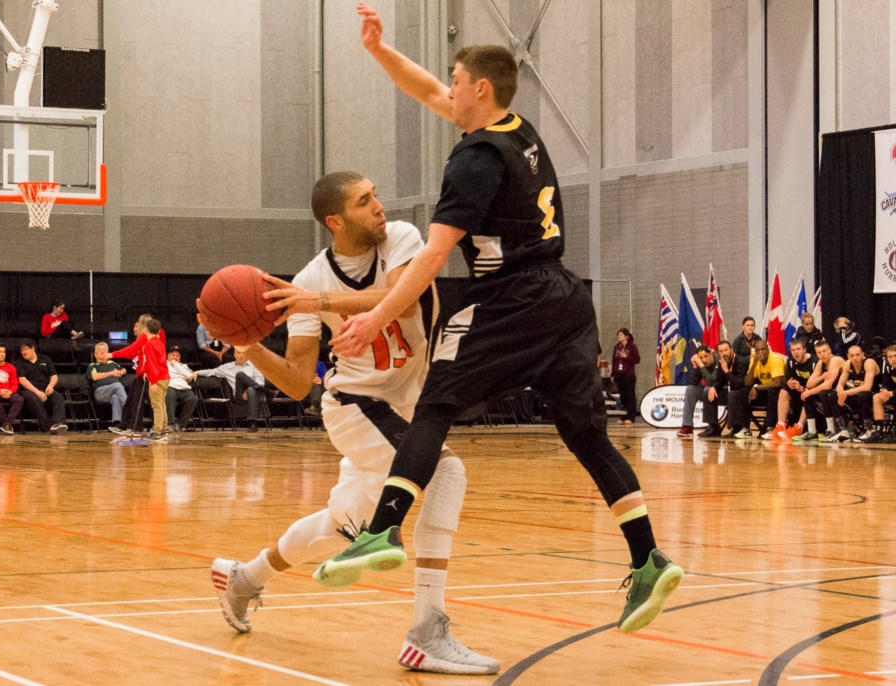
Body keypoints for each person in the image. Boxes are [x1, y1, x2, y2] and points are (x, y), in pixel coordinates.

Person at [317, 4, 683, 636]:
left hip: (511, 298)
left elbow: (431, 256)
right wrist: (380, 51)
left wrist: (376, 316)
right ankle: (647, 557)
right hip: (566, 300)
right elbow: (428, 90)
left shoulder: (473, 162)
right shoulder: (518, 131)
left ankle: (381, 531)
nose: (447, 87)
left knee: (433, 406)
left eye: (456, 81)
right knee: (587, 437)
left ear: (479, 89)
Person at [204, 170, 498, 675]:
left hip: (409, 402)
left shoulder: (400, 240)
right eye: (365, 202)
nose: (379, 206)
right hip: (357, 405)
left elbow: (398, 295)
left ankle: (244, 578)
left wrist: (315, 303)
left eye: (376, 194)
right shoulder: (308, 280)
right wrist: (252, 348)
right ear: (336, 221)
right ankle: (428, 632)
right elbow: (299, 382)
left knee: (340, 527)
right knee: (447, 474)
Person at [110, 314, 164, 437]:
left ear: (144, 326)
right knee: (133, 400)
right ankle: (127, 425)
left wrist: (111, 355)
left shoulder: (146, 339)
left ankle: (140, 427)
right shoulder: (144, 339)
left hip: (147, 374)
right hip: (141, 373)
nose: (134, 328)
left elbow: (146, 357)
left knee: (143, 402)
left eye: (137, 325)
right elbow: (133, 353)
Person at [196, 349, 268, 432]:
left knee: (251, 389)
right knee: (240, 375)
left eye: (243, 353)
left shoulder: (254, 366)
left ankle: (253, 424)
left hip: (255, 394)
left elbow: (261, 381)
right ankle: (269, 393)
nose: (241, 355)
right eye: (239, 353)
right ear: (234, 354)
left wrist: (248, 390)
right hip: (239, 395)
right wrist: (197, 372)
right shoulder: (228, 367)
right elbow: (212, 371)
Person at [727, 339, 785, 439]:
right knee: (744, 391)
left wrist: (756, 387)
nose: (760, 352)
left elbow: (777, 383)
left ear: (768, 349)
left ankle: (771, 428)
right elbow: (747, 382)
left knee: (772, 391)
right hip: (765, 391)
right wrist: (753, 365)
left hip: (779, 393)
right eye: (758, 350)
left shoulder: (775, 359)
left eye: (763, 349)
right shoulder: (755, 361)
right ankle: (746, 428)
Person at [764, 338, 816, 440]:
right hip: (798, 391)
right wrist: (790, 384)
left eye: (798, 349)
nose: (796, 352)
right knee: (784, 391)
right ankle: (780, 425)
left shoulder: (814, 362)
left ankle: (799, 427)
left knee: (807, 394)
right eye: (793, 350)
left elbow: (816, 385)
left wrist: (802, 388)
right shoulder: (791, 361)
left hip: (812, 392)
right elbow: (788, 380)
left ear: (804, 350)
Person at [826, 343, 878, 442]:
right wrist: (840, 394)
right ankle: (843, 430)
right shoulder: (848, 364)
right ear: (848, 356)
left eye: (857, 355)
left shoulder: (868, 362)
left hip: (874, 397)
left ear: (863, 355)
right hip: (857, 397)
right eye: (852, 355)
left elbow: (867, 387)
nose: (855, 358)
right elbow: (839, 385)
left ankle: (868, 429)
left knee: (863, 394)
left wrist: (846, 393)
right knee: (832, 395)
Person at [16, 341, 68, 434]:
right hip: (28, 389)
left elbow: (54, 376)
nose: (23, 352)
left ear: (33, 348)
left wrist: (51, 386)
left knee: (58, 397)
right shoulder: (19, 362)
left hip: (45, 387)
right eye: (22, 350)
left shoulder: (45, 359)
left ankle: (58, 423)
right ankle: (47, 426)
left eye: (25, 349)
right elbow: (22, 380)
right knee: (34, 398)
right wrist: (37, 392)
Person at [805, 340, 848, 442]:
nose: (822, 354)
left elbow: (828, 384)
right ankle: (812, 431)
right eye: (819, 352)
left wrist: (809, 391)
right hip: (832, 391)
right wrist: (820, 378)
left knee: (825, 393)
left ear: (829, 350)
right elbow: (809, 384)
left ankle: (841, 429)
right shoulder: (820, 363)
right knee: (811, 395)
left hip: (847, 390)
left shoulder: (835, 360)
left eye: (824, 351)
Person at [676, 345, 717, 438]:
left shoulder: (717, 361)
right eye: (701, 358)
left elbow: (711, 381)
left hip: (721, 392)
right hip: (707, 392)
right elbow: (693, 382)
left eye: (706, 356)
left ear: (711, 354)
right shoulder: (700, 364)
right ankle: (687, 426)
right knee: (690, 389)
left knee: (707, 389)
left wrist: (701, 365)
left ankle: (711, 427)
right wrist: (695, 366)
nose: (704, 360)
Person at [140, 319, 169, 442]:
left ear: (146, 329)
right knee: (161, 403)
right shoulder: (159, 342)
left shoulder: (149, 344)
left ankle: (157, 432)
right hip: (165, 376)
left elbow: (152, 363)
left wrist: (153, 381)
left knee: (156, 405)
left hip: (158, 377)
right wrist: (146, 371)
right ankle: (163, 429)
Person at [87, 341, 127, 431]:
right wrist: (112, 373)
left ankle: (117, 424)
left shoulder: (112, 363)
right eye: (99, 350)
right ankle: (129, 408)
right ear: (95, 354)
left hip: (113, 392)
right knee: (118, 385)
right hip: (100, 392)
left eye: (104, 350)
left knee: (116, 397)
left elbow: (123, 369)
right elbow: (94, 377)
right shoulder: (92, 366)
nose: (102, 352)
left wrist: (121, 372)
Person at [713, 340, 749, 438]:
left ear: (731, 350)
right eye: (721, 351)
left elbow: (738, 383)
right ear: (718, 353)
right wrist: (713, 388)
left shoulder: (741, 361)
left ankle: (736, 428)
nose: (724, 353)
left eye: (726, 350)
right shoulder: (722, 362)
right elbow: (718, 380)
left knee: (733, 394)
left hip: (743, 393)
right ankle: (712, 427)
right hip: (730, 393)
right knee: (707, 391)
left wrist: (726, 371)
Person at [864, 344, 896, 443]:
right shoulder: (888, 368)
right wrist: (884, 392)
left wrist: (891, 393)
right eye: (890, 357)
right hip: (893, 395)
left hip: (894, 394)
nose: (893, 359)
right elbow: (885, 384)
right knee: (877, 396)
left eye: (895, 356)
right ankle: (879, 431)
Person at [165, 346, 199, 432]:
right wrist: (182, 375)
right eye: (173, 355)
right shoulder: (164, 364)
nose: (175, 357)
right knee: (170, 395)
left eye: (177, 356)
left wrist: (176, 365)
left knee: (193, 399)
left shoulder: (184, 366)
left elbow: (190, 376)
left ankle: (180, 425)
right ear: (168, 356)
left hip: (184, 388)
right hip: (170, 386)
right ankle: (170, 423)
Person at [611, 328, 640, 425]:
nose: (619, 337)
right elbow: (614, 361)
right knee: (622, 397)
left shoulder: (632, 347)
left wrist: (627, 357)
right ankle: (623, 416)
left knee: (630, 396)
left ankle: (631, 417)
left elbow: (637, 359)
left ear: (626, 336)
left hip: (629, 375)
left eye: (621, 335)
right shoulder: (616, 347)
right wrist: (613, 374)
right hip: (619, 375)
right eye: (618, 335)